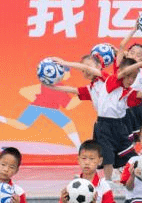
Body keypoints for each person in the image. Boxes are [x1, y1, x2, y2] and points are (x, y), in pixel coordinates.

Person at [48, 50, 136, 181]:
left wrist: (64, 63)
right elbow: (74, 90)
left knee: (126, 151)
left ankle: (127, 172)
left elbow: (87, 68)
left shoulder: (106, 78)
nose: (86, 71)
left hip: (120, 120)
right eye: (83, 70)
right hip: (103, 123)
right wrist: (53, 87)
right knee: (103, 152)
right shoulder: (91, 88)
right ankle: (106, 178)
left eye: (88, 67)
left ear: (99, 66)